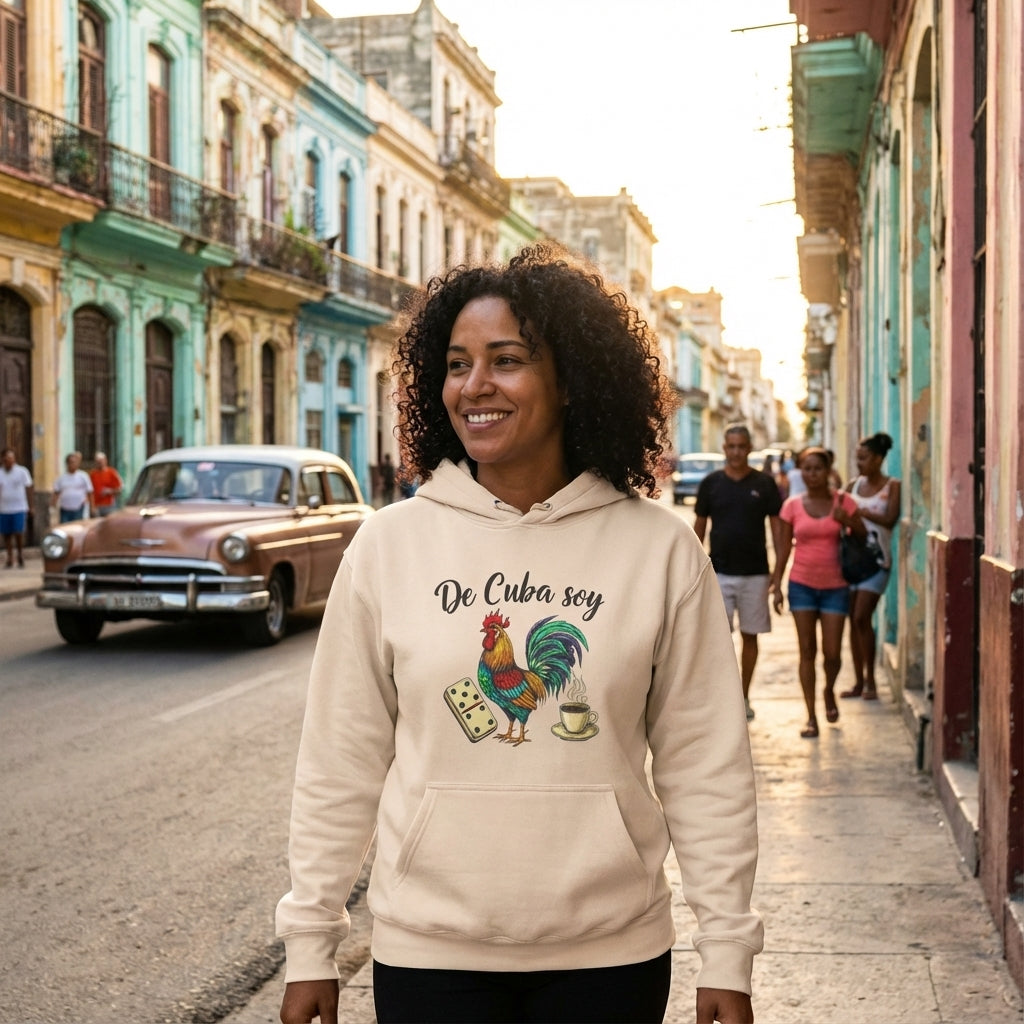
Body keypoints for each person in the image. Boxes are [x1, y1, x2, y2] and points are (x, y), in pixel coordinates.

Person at [277, 244, 762, 1024]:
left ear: (571, 380)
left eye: (506, 360)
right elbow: (340, 757)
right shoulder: (388, 544)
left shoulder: (661, 549)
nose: (476, 386)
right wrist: (311, 940)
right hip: (430, 949)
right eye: (458, 363)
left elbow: (704, 761)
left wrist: (728, 949)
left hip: (610, 953)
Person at [770, 446, 865, 738]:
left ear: (828, 471)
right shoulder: (792, 506)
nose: (812, 474)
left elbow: (862, 535)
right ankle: (811, 716)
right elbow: (784, 548)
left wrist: (846, 520)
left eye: (817, 468)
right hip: (801, 586)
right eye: (806, 469)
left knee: (833, 654)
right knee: (807, 651)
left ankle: (828, 690)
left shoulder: (844, 502)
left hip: (836, 587)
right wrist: (776, 586)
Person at [694, 423, 782, 721]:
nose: (735, 452)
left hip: (756, 574)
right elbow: (699, 529)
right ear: (724, 448)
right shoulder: (711, 484)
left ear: (749, 448)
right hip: (719, 573)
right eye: (730, 446)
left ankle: (743, 696)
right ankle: (723, 698)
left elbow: (778, 529)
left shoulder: (765, 484)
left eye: (741, 446)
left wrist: (778, 574)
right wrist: (692, 571)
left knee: (750, 636)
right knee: (717, 639)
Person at [842, 432, 901, 701]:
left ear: (878, 458)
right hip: (851, 561)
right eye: (858, 458)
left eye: (864, 458)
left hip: (878, 562)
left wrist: (860, 512)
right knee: (852, 622)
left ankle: (871, 681)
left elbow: (889, 519)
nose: (860, 463)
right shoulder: (852, 485)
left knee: (861, 617)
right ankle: (858, 681)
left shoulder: (892, 485)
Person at [0, 447, 33, 569]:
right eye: (6, 458)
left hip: (19, 507)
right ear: (2, 459)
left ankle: (20, 554)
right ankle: (10, 557)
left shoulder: (22, 472)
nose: (8, 460)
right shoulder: (0, 473)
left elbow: (28, 488)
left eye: (11, 458)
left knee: (18, 532)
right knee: (6, 534)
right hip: (4, 508)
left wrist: (31, 506)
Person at [52, 451, 94, 522]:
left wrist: (92, 507)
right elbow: (56, 492)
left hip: (79, 508)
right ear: (67, 464)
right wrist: (53, 506)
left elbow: (90, 492)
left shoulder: (83, 476)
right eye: (71, 462)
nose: (73, 464)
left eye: (75, 462)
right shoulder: (61, 478)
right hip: (65, 509)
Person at [89, 451, 123, 516]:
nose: (100, 463)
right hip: (97, 506)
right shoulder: (93, 474)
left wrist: (110, 491)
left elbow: (120, 489)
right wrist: (92, 506)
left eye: (101, 461)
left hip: (109, 505)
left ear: (105, 461)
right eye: (98, 461)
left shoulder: (112, 472)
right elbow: (90, 492)